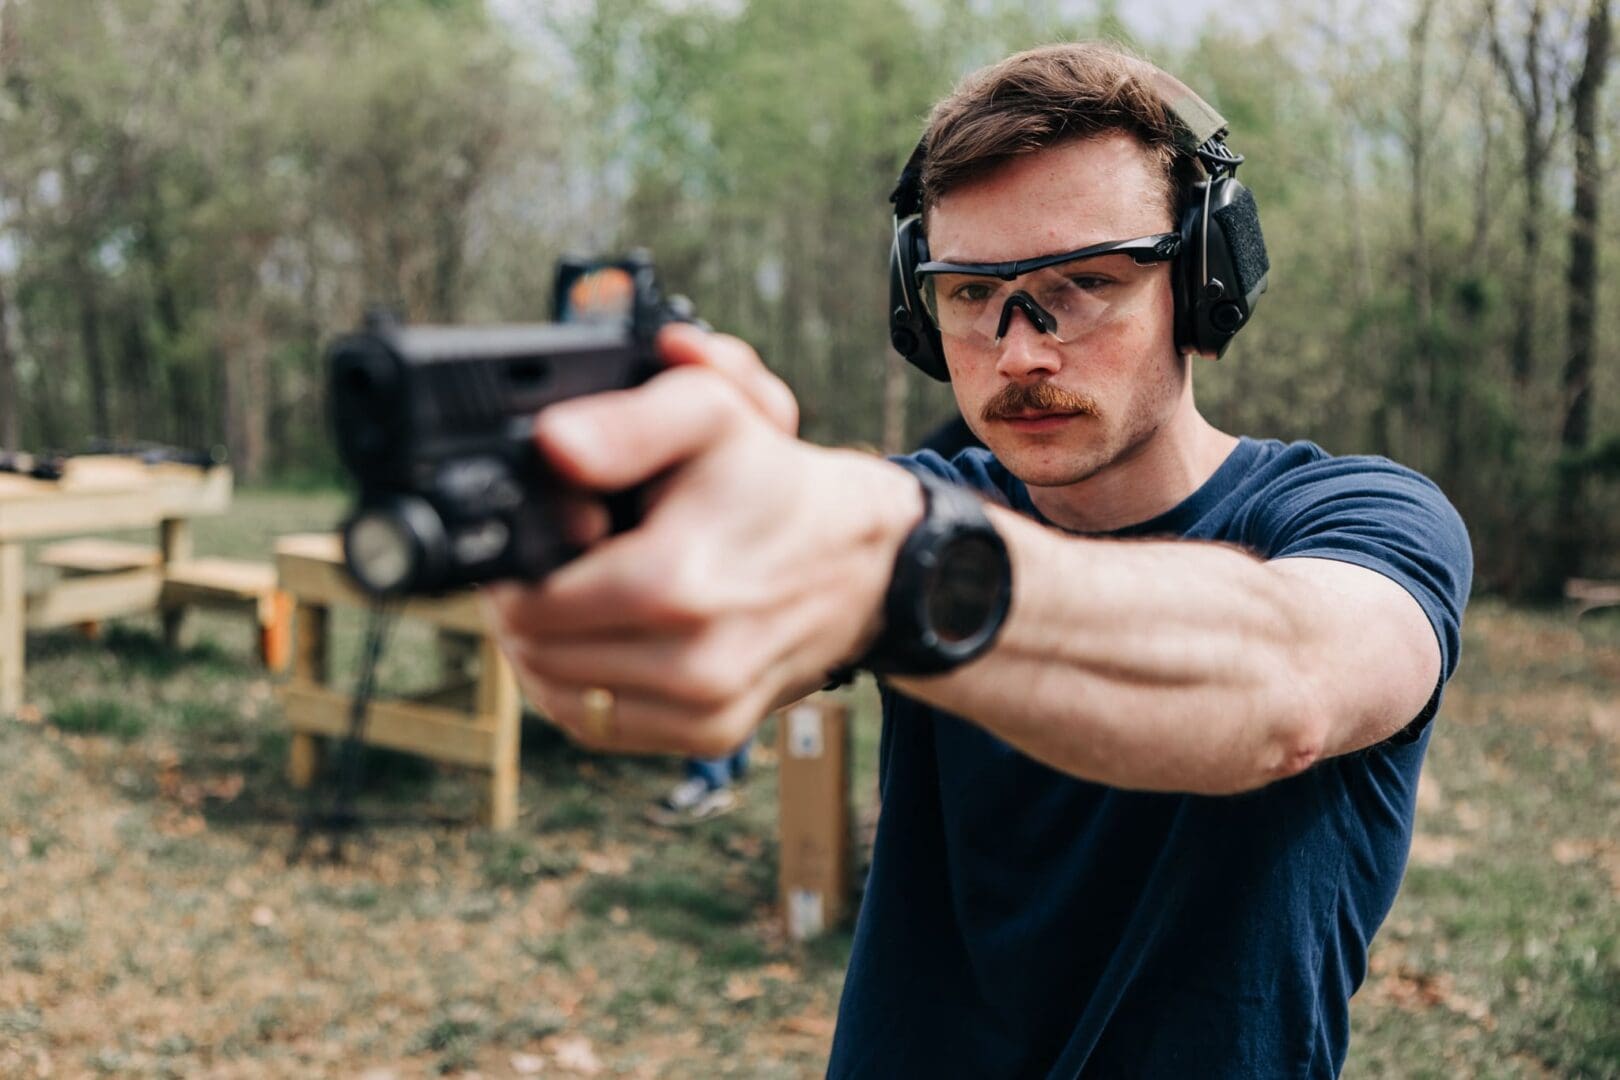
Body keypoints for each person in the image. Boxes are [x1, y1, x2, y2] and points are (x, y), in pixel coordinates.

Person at [484, 42, 1472, 1078]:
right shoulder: (929, 503)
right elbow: (722, 626)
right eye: (969, 295)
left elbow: (1288, 681)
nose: (1021, 353)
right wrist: (609, 523)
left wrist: (898, 561)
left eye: (1082, 285)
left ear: (1202, 286)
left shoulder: (1362, 516)